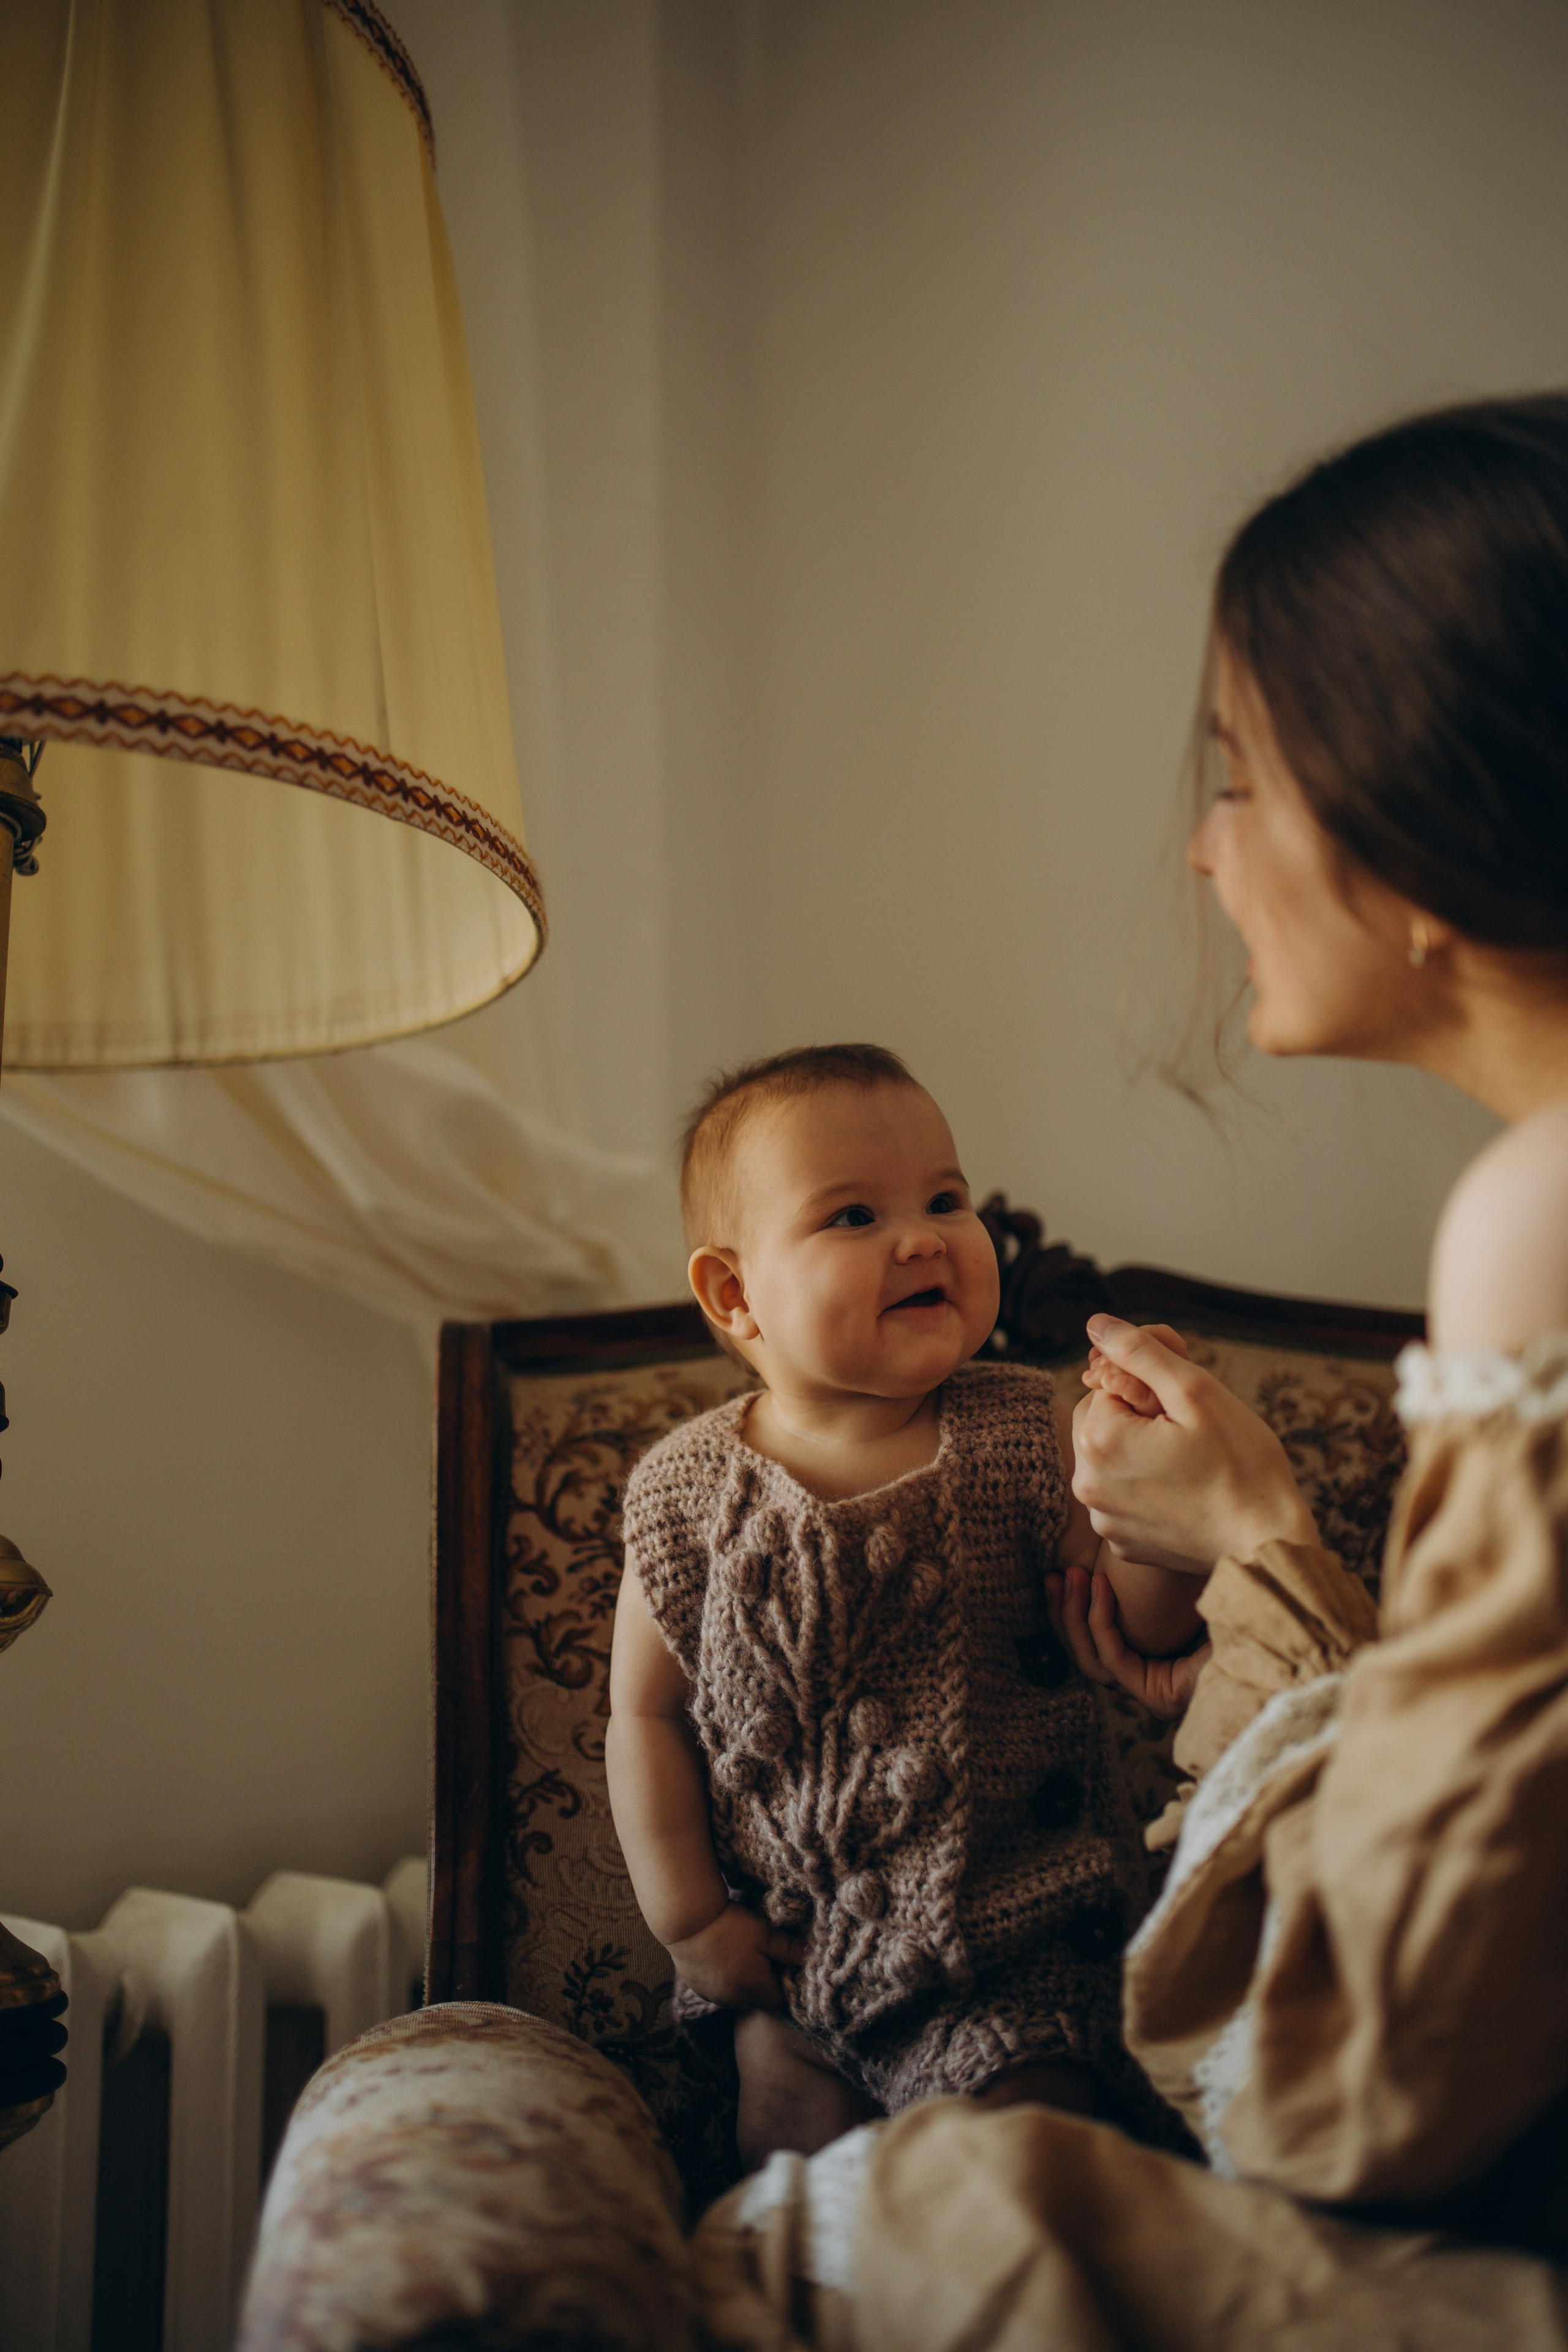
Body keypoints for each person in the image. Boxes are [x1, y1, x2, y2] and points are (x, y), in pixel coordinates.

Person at [692, 396, 1568, 2348]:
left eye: (1243, 775)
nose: (1203, 846)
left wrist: (1253, 1547)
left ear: (1423, 809)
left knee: (892, 2229)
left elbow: (1397, 2059)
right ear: (725, 1298)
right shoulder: (700, 1493)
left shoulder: (1539, 1209)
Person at [605, 1044, 1200, 2169]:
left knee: (1010, 2167)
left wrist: (1157, 1482)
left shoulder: (1029, 1432)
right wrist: (690, 1924)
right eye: (853, 1217)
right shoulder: (681, 1499)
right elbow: (643, 1721)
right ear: (735, 1294)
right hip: (796, 1964)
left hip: (1015, 1955)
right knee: (785, 2168)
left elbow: (1147, 1629)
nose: (922, 1236)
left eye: (944, 1198)